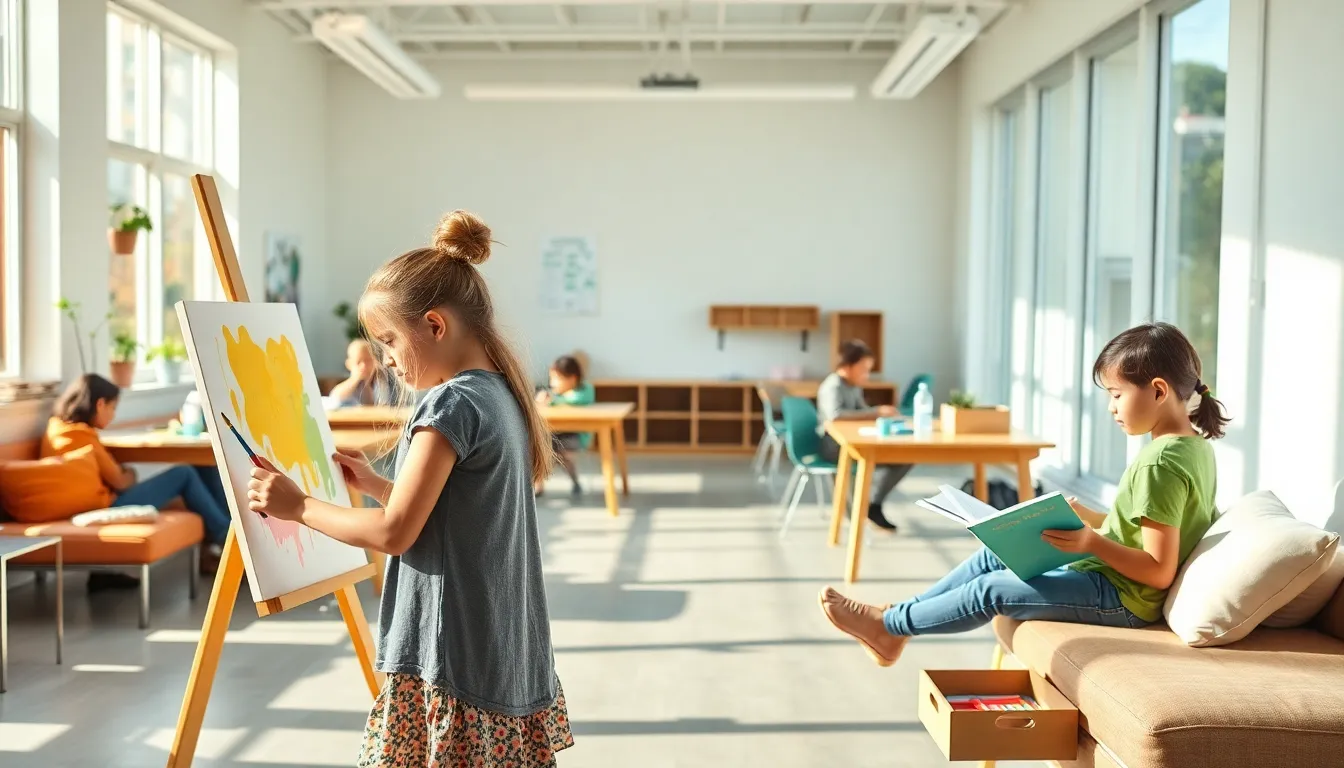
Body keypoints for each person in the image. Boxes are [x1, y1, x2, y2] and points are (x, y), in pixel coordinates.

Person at [245, 210, 573, 766]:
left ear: (435, 325)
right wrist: (377, 483)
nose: (387, 360)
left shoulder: (452, 403)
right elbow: (456, 511)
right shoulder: (501, 394)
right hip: (498, 647)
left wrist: (298, 506)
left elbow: (395, 533)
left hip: (450, 652)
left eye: (389, 340)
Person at [818, 323, 1228, 667]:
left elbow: (1158, 569)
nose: (1111, 408)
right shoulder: (1194, 448)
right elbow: (1151, 528)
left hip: (1123, 598)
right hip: (1113, 579)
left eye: (1116, 394)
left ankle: (889, 627)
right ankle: (893, 620)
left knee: (990, 590)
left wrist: (1089, 541)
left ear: (1158, 391)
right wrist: (1091, 517)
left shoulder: (1160, 463)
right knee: (994, 552)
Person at [42, 374, 232, 586]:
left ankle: (225, 535)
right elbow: (121, 481)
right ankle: (227, 535)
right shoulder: (82, 435)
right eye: (113, 408)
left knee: (199, 468)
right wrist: (129, 472)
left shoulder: (57, 428)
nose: (113, 415)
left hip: (89, 500)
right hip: (104, 506)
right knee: (185, 472)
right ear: (100, 403)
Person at [817, 339, 908, 531]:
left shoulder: (853, 386)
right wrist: (875, 413)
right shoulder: (832, 386)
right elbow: (836, 416)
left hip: (855, 443)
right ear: (847, 366)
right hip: (834, 447)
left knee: (904, 457)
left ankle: (873, 504)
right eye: (863, 369)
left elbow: (862, 411)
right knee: (889, 459)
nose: (867, 374)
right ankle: (862, 509)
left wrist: (881, 415)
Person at [533, 354, 595, 497]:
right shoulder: (556, 394)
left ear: (572, 379)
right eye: (551, 378)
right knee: (548, 448)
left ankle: (539, 482)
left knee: (550, 449)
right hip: (557, 434)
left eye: (557, 379)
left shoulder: (585, 390)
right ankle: (543, 482)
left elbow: (576, 399)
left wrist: (552, 398)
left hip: (577, 436)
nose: (553, 383)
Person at [327, 339, 379, 408]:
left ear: (375, 362)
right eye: (358, 362)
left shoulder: (380, 383)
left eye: (368, 360)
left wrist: (368, 383)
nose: (363, 366)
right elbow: (335, 398)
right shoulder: (348, 387)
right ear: (349, 364)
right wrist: (355, 379)